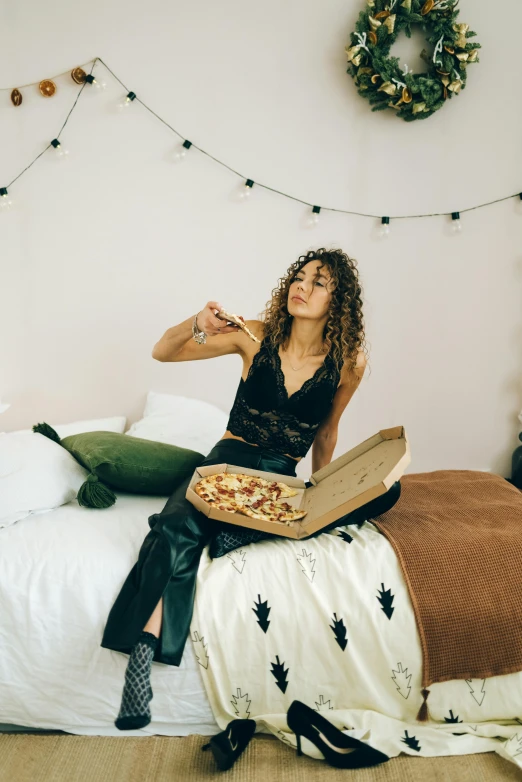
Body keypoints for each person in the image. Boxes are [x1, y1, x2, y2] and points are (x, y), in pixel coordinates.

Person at [100, 247, 401, 730]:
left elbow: (326, 433)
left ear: (338, 299)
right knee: (175, 528)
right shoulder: (254, 336)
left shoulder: (350, 363)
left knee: (389, 493)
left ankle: (243, 529)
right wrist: (196, 321)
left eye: (318, 282)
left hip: (280, 479)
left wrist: (322, 493)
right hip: (224, 464)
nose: (302, 288)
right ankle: (144, 651)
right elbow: (163, 350)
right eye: (299, 278)